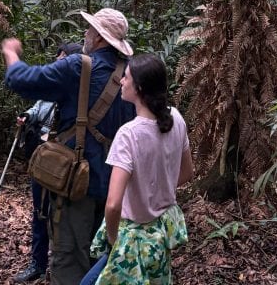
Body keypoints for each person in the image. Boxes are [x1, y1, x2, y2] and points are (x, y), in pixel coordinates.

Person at [1, 10, 137, 285]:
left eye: (89, 30)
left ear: (98, 37)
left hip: (77, 182)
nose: (85, 34)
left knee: (69, 258)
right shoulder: (134, 73)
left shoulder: (79, 67)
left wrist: (11, 54)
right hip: (119, 184)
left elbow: (24, 80)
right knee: (104, 260)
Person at [79, 54, 194, 285]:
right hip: (161, 233)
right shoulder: (177, 119)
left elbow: (113, 204)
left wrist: (114, 242)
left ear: (139, 87)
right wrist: (157, 192)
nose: (121, 81)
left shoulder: (128, 134)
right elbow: (187, 173)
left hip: (132, 238)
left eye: (126, 77)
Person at [14, 41, 84, 284]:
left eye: (64, 57)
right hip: (44, 157)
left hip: (65, 160)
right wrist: (28, 116)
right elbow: (38, 107)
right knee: (39, 210)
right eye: (58, 56)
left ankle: (60, 264)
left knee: (62, 214)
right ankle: (39, 263)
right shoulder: (52, 83)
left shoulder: (75, 88)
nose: (58, 61)